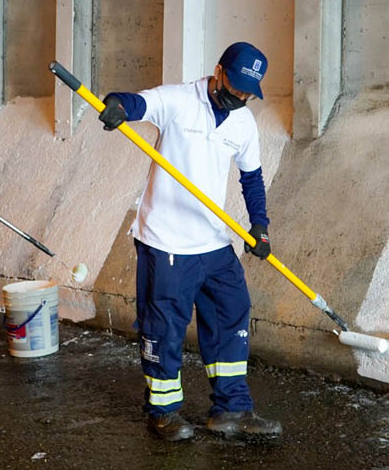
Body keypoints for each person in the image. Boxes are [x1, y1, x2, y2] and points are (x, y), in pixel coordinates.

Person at [98, 41, 282, 441]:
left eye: (248, 92)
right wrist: (116, 106)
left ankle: (231, 409)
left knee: (232, 315)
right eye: (235, 87)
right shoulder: (178, 101)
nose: (240, 97)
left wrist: (260, 226)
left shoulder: (243, 123)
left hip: (214, 243)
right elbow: (137, 103)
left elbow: (251, 179)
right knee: (163, 328)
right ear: (218, 72)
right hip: (166, 242)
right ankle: (163, 411)